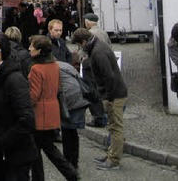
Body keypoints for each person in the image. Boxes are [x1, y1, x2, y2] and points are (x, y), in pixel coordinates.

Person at [0, 32, 38, 181]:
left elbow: (27, 119)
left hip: (16, 155)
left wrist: (3, 141)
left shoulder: (14, 79)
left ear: (3, 51)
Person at [72, 28, 128, 171]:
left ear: (84, 42)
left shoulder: (98, 52)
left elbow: (109, 76)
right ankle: (110, 154)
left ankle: (114, 160)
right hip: (113, 93)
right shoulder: (97, 47)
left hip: (114, 95)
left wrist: (108, 96)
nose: (80, 48)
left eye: (79, 45)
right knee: (112, 126)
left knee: (115, 127)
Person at [28, 35, 78, 181]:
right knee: (47, 148)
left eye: (32, 46)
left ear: (39, 51)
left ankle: (70, 174)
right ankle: (70, 173)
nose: (29, 48)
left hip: (40, 114)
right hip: (52, 111)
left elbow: (34, 95)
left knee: (43, 150)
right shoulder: (54, 65)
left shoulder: (36, 69)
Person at [58, 60, 91, 170]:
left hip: (69, 100)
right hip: (79, 97)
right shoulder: (65, 65)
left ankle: (69, 162)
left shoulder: (52, 68)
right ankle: (74, 161)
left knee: (67, 131)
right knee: (72, 131)